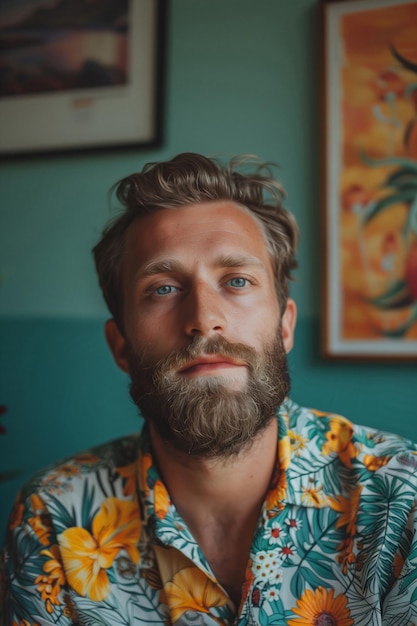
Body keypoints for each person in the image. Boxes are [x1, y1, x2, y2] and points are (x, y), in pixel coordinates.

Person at [1, 153, 417, 626]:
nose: (203, 318)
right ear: (121, 346)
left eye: (237, 281)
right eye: (162, 288)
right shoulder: (55, 515)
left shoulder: (402, 497)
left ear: (285, 327)